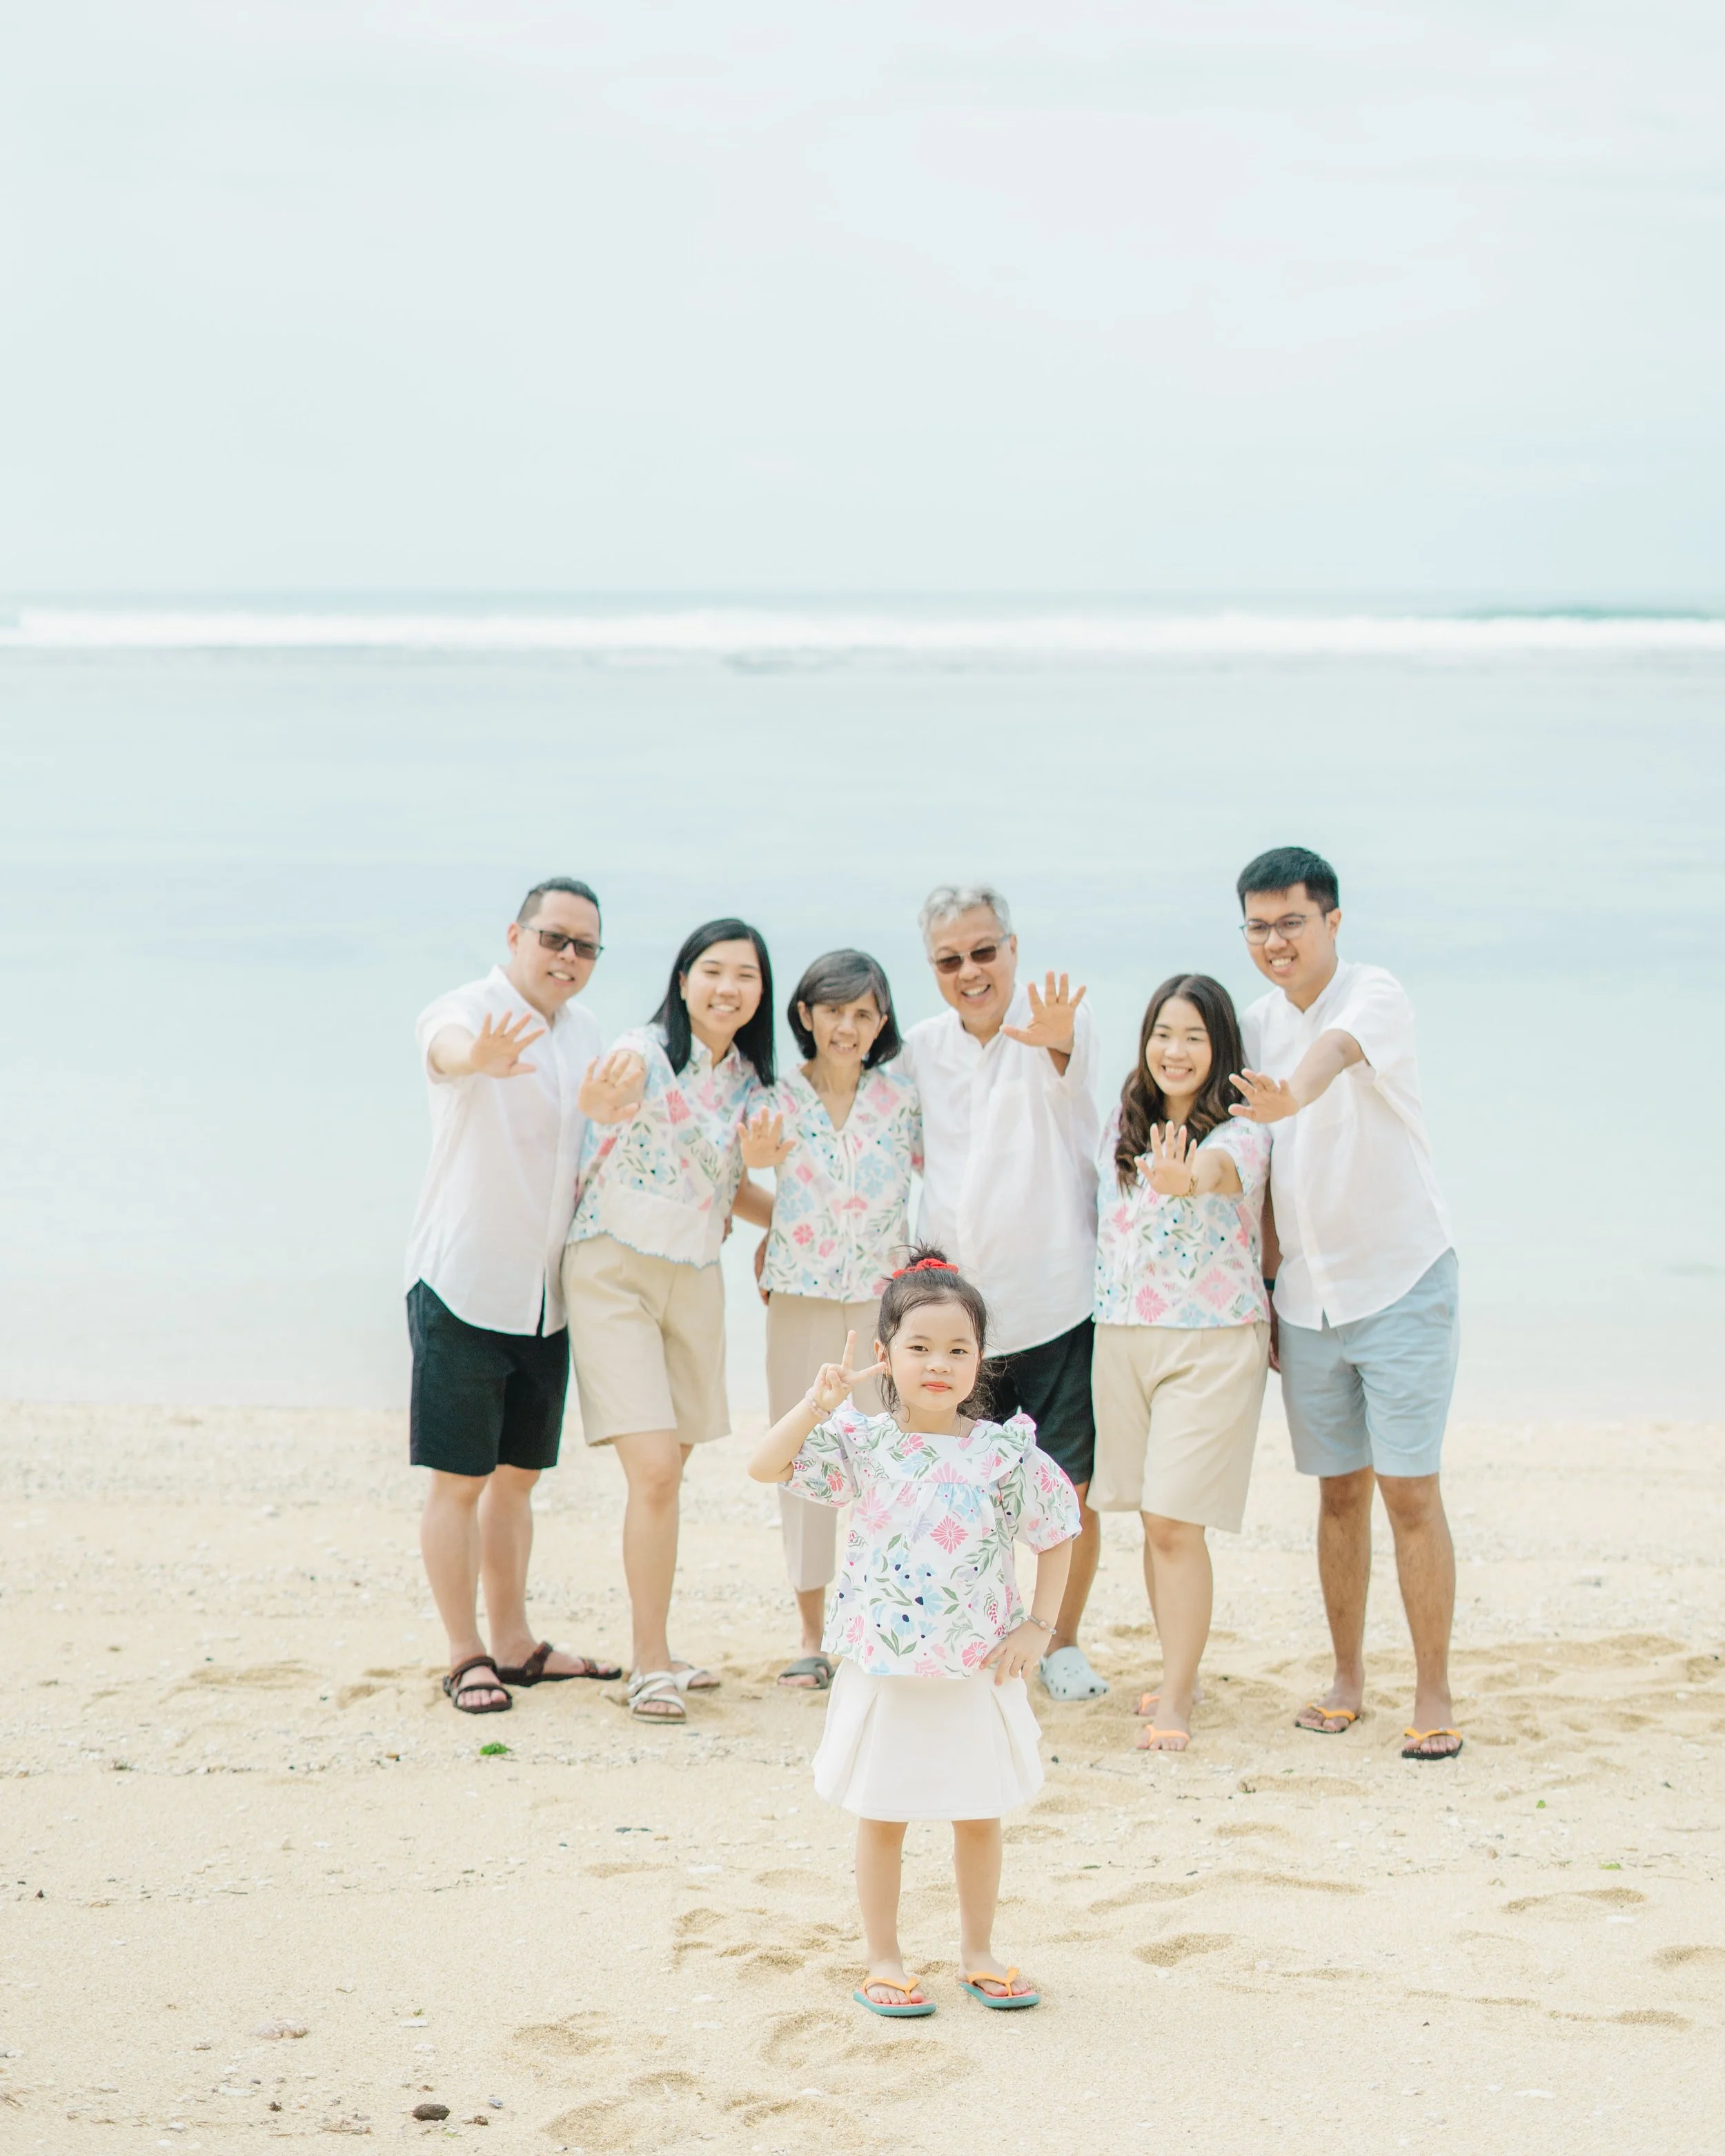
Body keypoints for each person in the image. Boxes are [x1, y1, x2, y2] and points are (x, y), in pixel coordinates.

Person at [747, 1249, 1079, 2017]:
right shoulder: (862, 1444)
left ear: (980, 1361)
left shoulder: (1005, 1451)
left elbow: (1060, 1527)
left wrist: (1040, 1623)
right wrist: (817, 1403)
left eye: (958, 1349)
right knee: (884, 1811)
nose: (939, 1363)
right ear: (884, 1355)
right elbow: (766, 1465)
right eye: (919, 1347)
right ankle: (884, 1958)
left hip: (978, 1662)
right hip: (886, 1664)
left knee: (978, 1811)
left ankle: (978, 1950)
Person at [1230, 845, 1463, 1761]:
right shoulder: (1248, 1021)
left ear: (1331, 921)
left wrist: (1296, 1092)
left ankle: (1434, 1689)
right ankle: (1347, 1677)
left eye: (1292, 922)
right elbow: (1262, 1174)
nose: (1275, 941)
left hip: (1402, 1279)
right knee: (1337, 1493)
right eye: (1258, 926)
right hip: (1308, 1299)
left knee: (1410, 1489)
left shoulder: (1375, 992)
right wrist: (1270, 1281)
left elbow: (1330, 1055)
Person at [406, 877, 623, 1716]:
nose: (568, 957)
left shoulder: (588, 1031)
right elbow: (446, 1049)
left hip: (546, 1294)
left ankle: (515, 1641)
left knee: (517, 1479)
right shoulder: (465, 1008)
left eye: (585, 946)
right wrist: (480, 1057)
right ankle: (465, 1654)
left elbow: (587, 1144)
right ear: (516, 935)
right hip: (462, 1281)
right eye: (554, 938)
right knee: (458, 1481)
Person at [561, 918, 787, 1725]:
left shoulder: (752, 1083)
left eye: (747, 976)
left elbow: (732, 1190)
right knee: (653, 1469)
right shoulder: (641, 1053)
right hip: (614, 1266)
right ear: (684, 978)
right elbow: (599, 1103)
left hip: (693, 1276)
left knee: (671, 1472)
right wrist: (596, 1100)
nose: (729, 987)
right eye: (713, 971)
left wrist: (797, 1223)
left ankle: (659, 1649)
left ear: (761, 992)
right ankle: (648, 1662)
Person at [898, 884, 1106, 1701]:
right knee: (953, 1489)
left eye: (985, 951)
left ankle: (1062, 1640)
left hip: (1057, 1300)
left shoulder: (1060, 1026)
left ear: (1012, 949)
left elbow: (1073, 1071)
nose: (971, 970)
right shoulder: (918, 1046)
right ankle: (966, 1631)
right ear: (933, 968)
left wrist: (1055, 1041)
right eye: (950, 959)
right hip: (956, 1319)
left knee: (1070, 1493)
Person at [1090, 976, 1272, 1752]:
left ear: (1220, 1047)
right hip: (1122, 1332)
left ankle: (1176, 1698)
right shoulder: (1123, 1120)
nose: (1175, 1049)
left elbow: (1218, 1175)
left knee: (1173, 1519)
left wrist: (1183, 1177)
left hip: (1211, 1338)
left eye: (1194, 1036)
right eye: (1164, 1032)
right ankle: (1180, 1670)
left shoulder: (1240, 1132)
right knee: (1150, 1521)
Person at [752, 949, 920, 1690]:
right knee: (803, 1458)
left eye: (862, 1012)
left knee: (891, 1456)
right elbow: (733, 1182)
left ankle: (890, 1618)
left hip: (883, 1303)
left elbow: (949, 1178)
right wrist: (776, 1226)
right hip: (799, 1296)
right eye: (833, 1011)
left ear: (881, 1020)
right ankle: (811, 1635)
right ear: (804, 1015)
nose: (847, 1026)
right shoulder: (775, 1097)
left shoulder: (902, 1097)